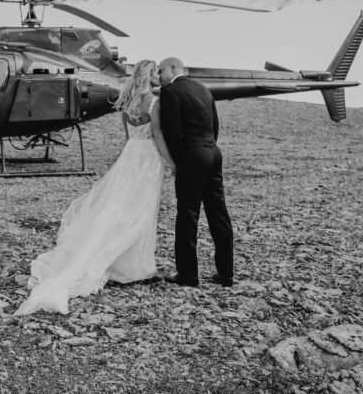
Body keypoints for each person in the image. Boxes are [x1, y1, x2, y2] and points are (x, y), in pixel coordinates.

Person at [13, 59, 175, 316]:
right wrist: (170, 162)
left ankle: (124, 263)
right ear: (150, 76)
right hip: (148, 159)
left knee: (120, 207)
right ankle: (136, 267)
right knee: (142, 211)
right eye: (155, 73)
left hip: (130, 156)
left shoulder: (128, 103)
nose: (158, 76)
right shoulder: (154, 102)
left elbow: (127, 138)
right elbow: (157, 134)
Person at [157, 57, 233, 288]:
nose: (158, 75)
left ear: (173, 68)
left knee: (188, 214)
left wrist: (179, 162)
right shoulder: (203, 89)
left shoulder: (170, 92)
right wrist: (207, 146)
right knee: (218, 212)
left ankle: (188, 275)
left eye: (161, 70)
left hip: (191, 156)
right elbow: (215, 126)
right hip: (212, 152)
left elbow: (172, 133)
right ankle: (226, 273)